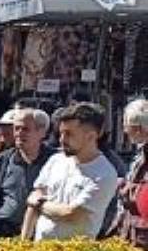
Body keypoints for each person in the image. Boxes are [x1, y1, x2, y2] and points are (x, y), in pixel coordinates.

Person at [22, 102, 119, 241]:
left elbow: (71, 214)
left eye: (68, 134)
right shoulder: (56, 160)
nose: (61, 140)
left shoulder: (104, 174)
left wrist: (40, 204)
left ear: (91, 136)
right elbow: (34, 201)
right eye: (61, 133)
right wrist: (23, 243)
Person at [0, 109, 53, 243]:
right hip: (5, 232)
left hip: (41, 233)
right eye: (16, 128)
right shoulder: (1, 161)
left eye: (25, 129)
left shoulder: (56, 161)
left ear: (42, 132)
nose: (19, 134)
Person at [112, 98, 148, 249]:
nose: (125, 131)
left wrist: (124, 187)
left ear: (139, 128)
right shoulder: (142, 151)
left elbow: (143, 195)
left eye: (127, 126)